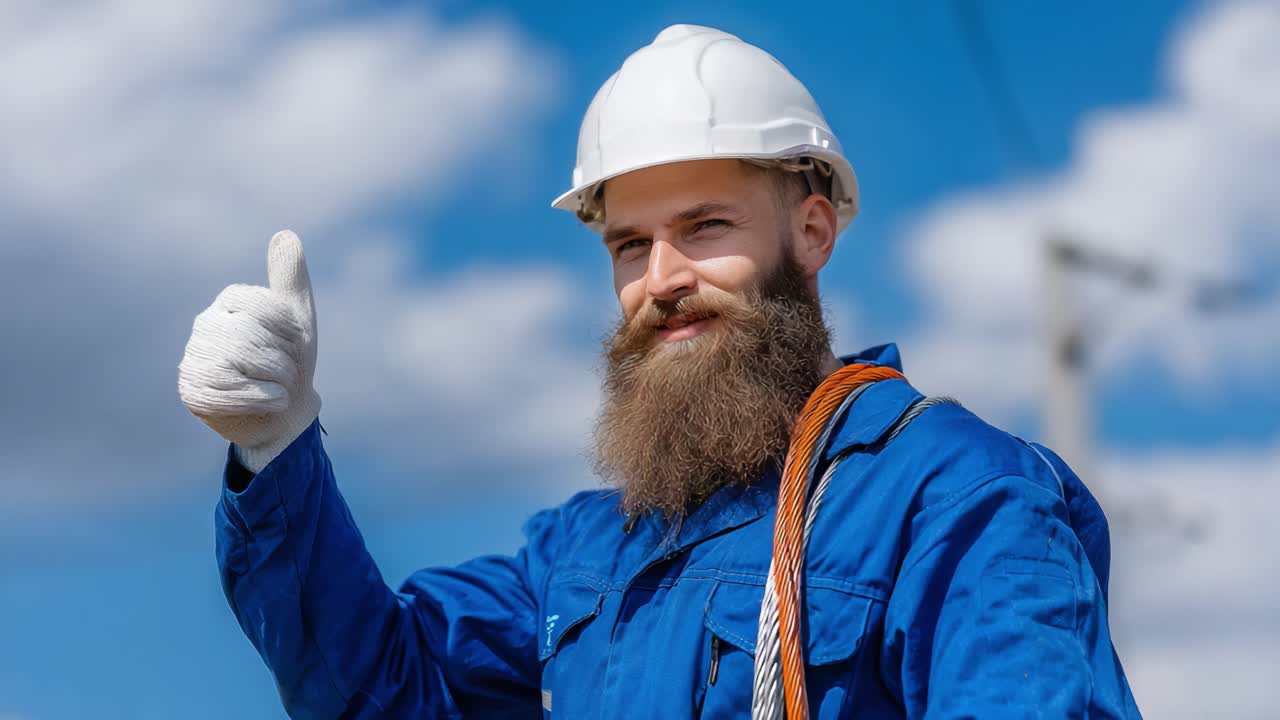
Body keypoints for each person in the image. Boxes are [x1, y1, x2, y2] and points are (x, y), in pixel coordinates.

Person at [178, 24, 1141, 719]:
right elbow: (382, 688)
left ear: (811, 232)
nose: (663, 280)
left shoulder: (953, 495)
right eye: (630, 245)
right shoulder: (583, 554)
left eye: (706, 227)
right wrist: (277, 450)